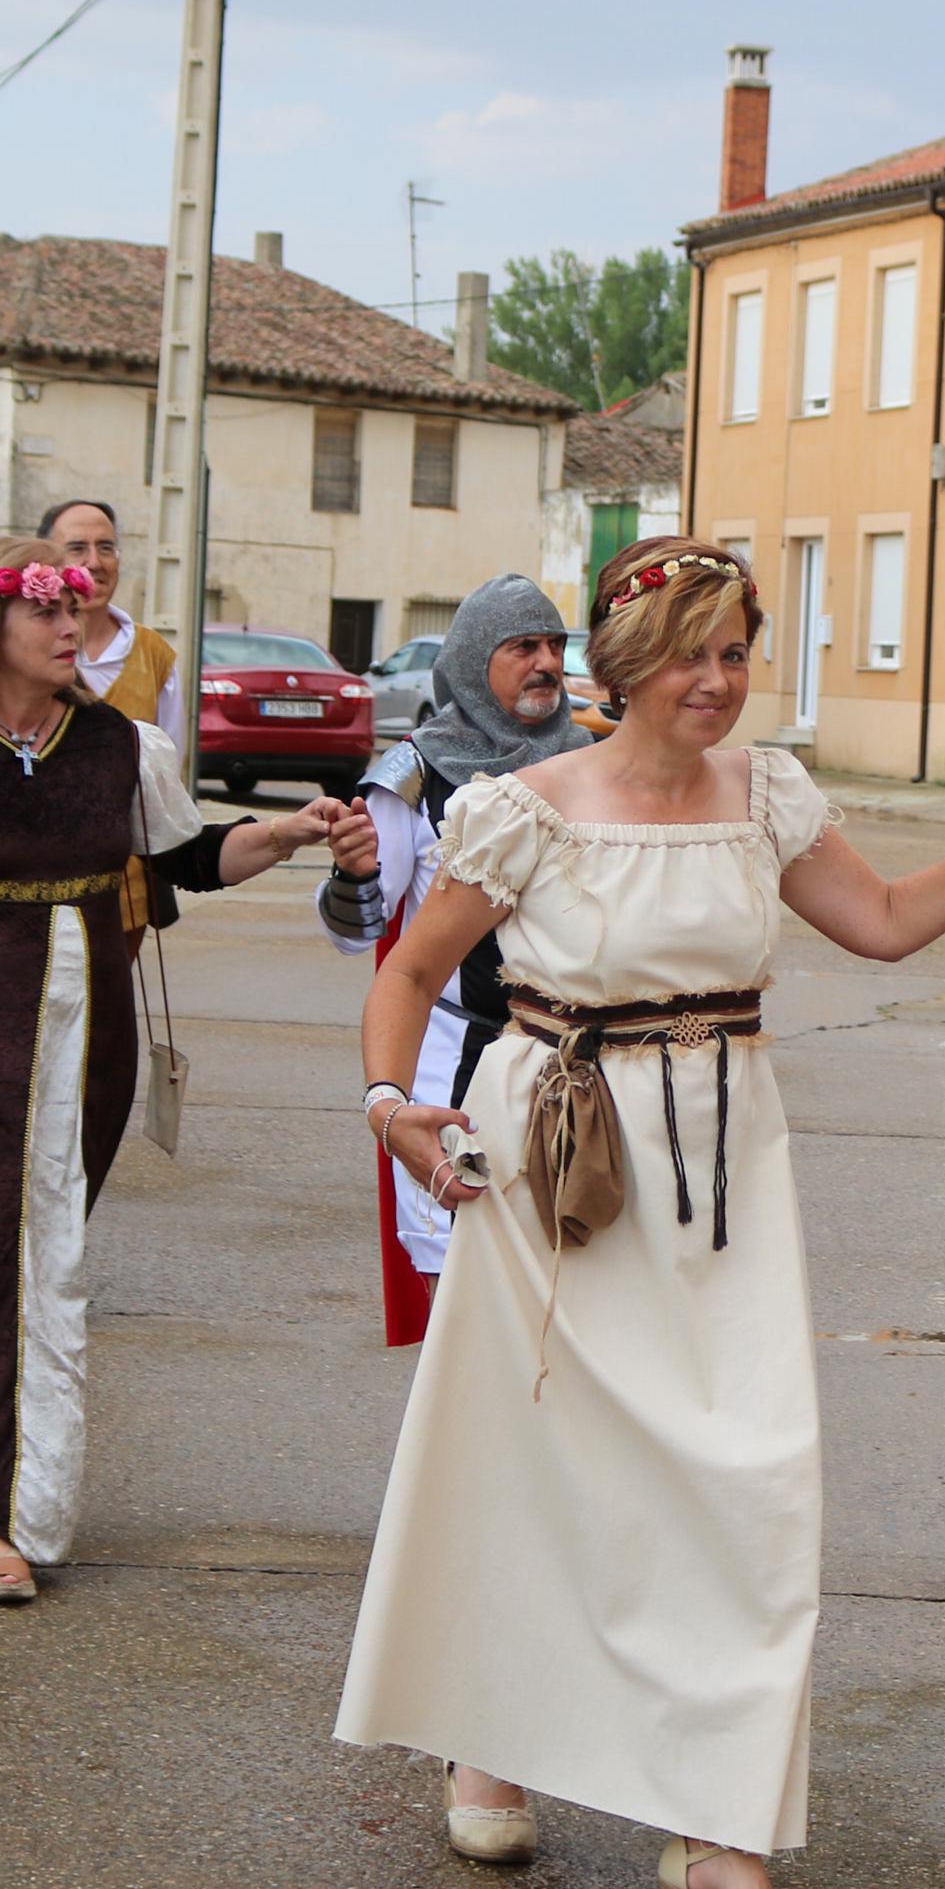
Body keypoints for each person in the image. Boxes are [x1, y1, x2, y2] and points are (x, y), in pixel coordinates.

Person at [336, 537, 945, 1889]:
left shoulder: (768, 795)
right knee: (535, 1463)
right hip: (559, 1160)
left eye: (735, 650)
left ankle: (719, 1845)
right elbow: (409, 971)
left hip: (722, 1167)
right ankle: (491, 1740)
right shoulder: (525, 807)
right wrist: (393, 1104)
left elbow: (877, 923)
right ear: (621, 666)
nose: (714, 679)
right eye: (689, 652)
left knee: (744, 1486)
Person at [0, 538, 358, 1605]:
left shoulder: (118, 747)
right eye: (49, 614)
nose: (71, 631)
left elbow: (184, 859)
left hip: (89, 1041)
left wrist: (286, 830)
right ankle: (4, 1517)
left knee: (52, 1247)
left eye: (80, 613)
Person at [315, 573, 592, 1345]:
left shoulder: (591, 763)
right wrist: (354, 875)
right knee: (465, 1330)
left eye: (554, 645)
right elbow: (355, 934)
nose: (544, 662)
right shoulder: (414, 773)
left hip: (576, 1070)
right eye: (521, 647)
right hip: (455, 1066)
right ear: (473, 660)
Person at [29, 499, 192, 747]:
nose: (94, 563)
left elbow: (167, 766)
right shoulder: (27, 650)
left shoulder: (153, 656)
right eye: (77, 548)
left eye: (106, 548)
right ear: (43, 561)